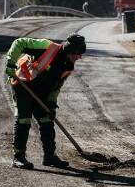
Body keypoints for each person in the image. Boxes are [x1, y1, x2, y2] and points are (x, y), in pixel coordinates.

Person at [5, 33, 86, 170]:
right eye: (77, 54)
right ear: (69, 50)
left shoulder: (68, 66)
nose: (79, 57)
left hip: (42, 92)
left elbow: (56, 87)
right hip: (23, 84)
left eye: (80, 55)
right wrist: (11, 64)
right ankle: (18, 157)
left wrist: (51, 103)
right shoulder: (47, 47)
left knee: (46, 120)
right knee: (24, 119)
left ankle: (49, 156)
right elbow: (19, 42)